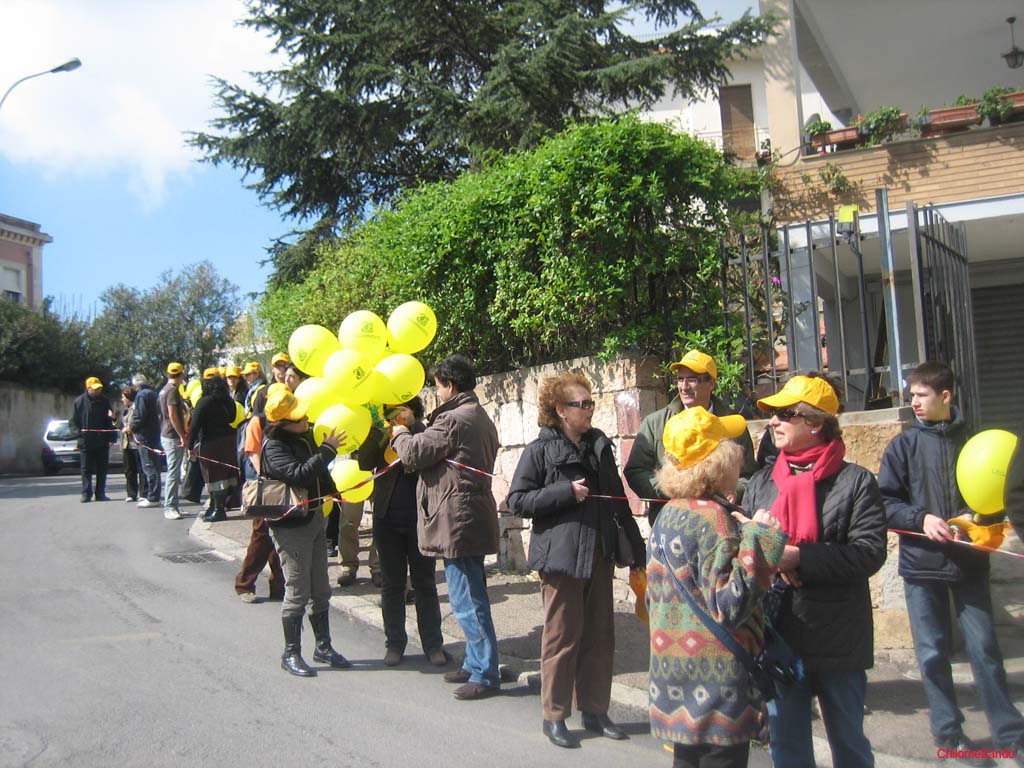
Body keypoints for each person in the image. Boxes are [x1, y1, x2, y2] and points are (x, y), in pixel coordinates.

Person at [879, 361, 1024, 766]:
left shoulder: (977, 442)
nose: (914, 403)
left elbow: (998, 497)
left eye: (921, 395)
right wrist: (920, 518)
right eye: (911, 395)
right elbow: (886, 502)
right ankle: (949, 734)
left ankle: (1009, 734)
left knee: (985, 650)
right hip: (921, 565)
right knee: (931, 653)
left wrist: (980, 522)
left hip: (968, 563)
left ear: (946, 396)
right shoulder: (902, 447)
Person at [743, 373, 887, 768]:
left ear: (816, 423)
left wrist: (797, 557)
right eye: (773, 414)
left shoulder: (855, 482)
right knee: (787, 749)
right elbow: (744, 551)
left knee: (849, 745)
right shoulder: (761, 483)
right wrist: (760, 550)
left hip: (837, 635)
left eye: (785, 414)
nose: (773, 421)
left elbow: (869, 553)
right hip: (780, 636)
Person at [507, 372, 645, 749]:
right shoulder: (540, 450)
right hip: (561, 559)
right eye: (580, 404)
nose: (588, 410)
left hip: (599, 554)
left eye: (590, 403)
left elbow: (617, 500)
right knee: (561, 637)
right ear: (560, 411)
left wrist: (636, 551)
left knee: (600, 636)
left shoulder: (599, 446)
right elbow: (517, 501)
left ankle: (596, 711)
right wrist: (564, 492)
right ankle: (554, 715)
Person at [647, 406, 788, 768]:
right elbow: (730, 604)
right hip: (715, 683)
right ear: (717, 460)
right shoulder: (713, 520)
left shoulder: (670, 512)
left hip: (675, 675)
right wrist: (760, 537)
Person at [390, 353, 501, 700]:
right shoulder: (477, 414)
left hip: (459, 519)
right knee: (470, 593)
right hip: (468, 514)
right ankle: (474, 661)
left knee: (467, 598)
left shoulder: (453, 419)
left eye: (437, 386)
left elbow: (414, 454)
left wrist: (399, 434)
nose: (435, 393)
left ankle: (484, 672)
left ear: (450, 386)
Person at [262, 383, 350, 676]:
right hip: (290, 525)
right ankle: (291, 653)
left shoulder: (304, 437)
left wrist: (335, 491)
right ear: (282, 424)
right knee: (297, 590)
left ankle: (322, 647)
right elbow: (299, 474)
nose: (306, 419)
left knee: (321, 588)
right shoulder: (274, 447)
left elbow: (319, 474)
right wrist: (327, 450)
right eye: (299, 417)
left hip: (312, 518)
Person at [358, 396, 446, 667]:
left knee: (425, 585)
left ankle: (433, 645)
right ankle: (395, 644)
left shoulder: (424, 431)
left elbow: (427, 458)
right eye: (392, 408)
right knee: (392, 585)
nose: (397, 413)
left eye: (402, 407)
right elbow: (364, 462)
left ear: (414, 409)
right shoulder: (381, 433)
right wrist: (377, 432)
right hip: (386, 519)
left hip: (419, 520)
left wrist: (410, 430)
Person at [625, 349, 756, 525]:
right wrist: (677, 489)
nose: (684, 386)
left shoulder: (732, 424)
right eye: (680, 379)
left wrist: (732, 490)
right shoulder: (655, 423)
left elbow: (749, 476)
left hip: (722, 522)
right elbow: (635, 471)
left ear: (711, 383)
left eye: (692, 379)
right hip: (671, 521)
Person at [234, 388, 286, 603]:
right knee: (261, 536)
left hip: (283, 484)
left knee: (279, 538)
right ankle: (244, 584)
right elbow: (252, 452)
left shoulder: (286, 421)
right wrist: (265, 475)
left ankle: (279, 586)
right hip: (266, 485)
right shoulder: (257, 422)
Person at [187, 370, 239, 523]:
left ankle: (218, 509)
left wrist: (190, 446)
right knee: (225, 475)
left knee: (213, 476)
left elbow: (194, 426)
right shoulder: (228, 400)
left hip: (211, 443)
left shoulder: (204, 402)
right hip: (229, 440)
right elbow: (233, 417)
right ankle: (216, 506)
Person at [71, 376, 116, 502]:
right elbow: (73, 422)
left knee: (102, 468)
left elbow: (110, 420)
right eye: (95, 389)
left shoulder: (105, 401)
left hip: (102, 441)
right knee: (86, 469)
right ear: (88, 388)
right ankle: (86, 493)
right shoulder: (79, 402)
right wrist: (79, 434)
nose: (98, 391)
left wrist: (112, 436)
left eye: (99, 388)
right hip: (86, 442)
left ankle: (100, 493)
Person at [159, 362, 188, 520]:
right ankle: (169, 507)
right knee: (173, 472)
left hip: (167, 433)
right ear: (181, 375)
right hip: (172, 435)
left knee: (174, 471)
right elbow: (173, 415)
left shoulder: (164, 390)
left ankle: (174, 506)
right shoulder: (172, 391)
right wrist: (182, 435)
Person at [129, 373, 162, 508]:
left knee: (148, 466)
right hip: (154, 434)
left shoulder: (142, 395)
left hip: (145, 435)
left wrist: (131, 426)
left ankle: (153, 497)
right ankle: (152, 495)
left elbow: (140, 415)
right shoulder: (153, 394)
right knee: (154, 465)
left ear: (136, 385)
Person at [119, 386, 142, 503]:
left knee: (140, 470)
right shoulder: (126, 410)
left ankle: (144, 493)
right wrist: (114, 419)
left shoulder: (136, 409)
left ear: (129, 398)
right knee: (129, 470)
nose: (122, 400)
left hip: (135, 443)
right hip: (126, 444)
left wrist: (129, 429)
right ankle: (131, 493)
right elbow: (121, 426)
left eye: (123, 397)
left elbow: (136, 424)